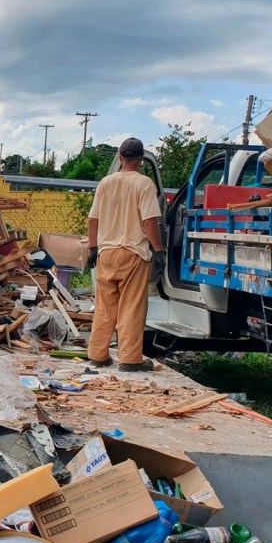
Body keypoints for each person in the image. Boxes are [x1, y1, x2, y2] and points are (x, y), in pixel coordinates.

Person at [86, 137, 164, 371]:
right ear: (140, 160)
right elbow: (150, 222)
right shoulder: (144, 184)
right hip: (134, 253)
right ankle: (130, 359)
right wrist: (159, 250)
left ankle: (98, 355)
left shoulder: (105, 183)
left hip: (107, 252)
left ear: (120, 158)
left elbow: (93, 219)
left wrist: (92, 248)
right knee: (131, 307)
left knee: (104, 306)